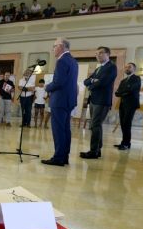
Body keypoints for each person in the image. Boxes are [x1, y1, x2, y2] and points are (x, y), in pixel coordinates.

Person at [42, 38, 78, 166]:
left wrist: (47, 87)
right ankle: (64, 156)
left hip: (60, 101)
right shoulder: (73, 61)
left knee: (58, 130)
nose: (53, 49)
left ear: (61, 46)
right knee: (65, 129)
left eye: (54, 46)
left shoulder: (62, 61)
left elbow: (58, 82)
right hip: (69, 100)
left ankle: (58, 157)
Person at [81, 46, 118, 159]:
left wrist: (92, 85)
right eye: (97, 53)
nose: (98, 55)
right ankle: (97, 150)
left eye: (101, 53)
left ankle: (93, 151)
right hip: (94, 100)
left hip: (102, 101)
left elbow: (103, 82)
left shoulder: (111, 67)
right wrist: (93, 80)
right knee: (96, 125)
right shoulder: (98, 69)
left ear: (108, 54)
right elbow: (85, 81)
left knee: (95, 125)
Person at [114, 63, 141, 150]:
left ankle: (126, 143)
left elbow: (131, 89)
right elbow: (117, 93)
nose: (127, 68)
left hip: (131, 104)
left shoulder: (136, 78)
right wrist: (124, 92)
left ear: (134, 69)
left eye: (129, 67)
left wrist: (123, 92)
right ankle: (124, 142)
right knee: (122, 123)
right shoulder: (123, 81)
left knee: (127, 123)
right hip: (123, 104)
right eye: (125, 67)